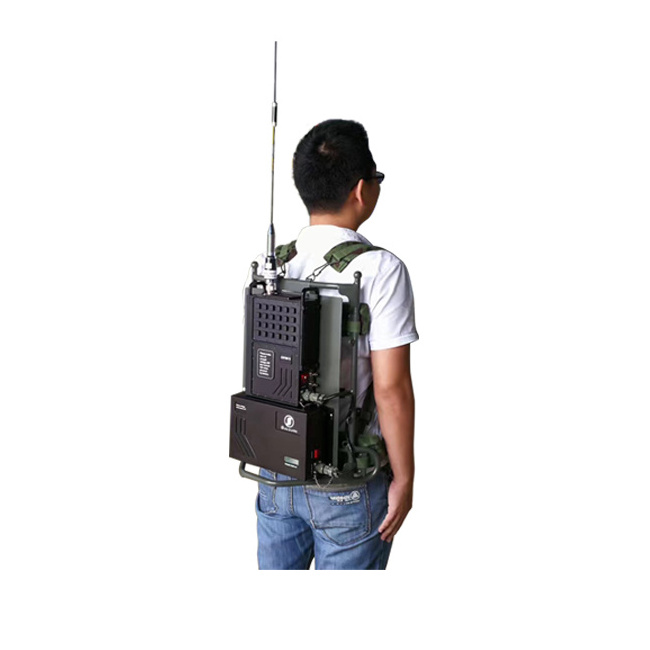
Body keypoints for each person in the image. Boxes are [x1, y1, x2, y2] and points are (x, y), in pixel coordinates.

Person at [255, 119, 418, 570]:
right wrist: (405, 478)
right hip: (348, 484)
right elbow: (391, 388)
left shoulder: (273, 265)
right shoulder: (382, 270)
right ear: (361, 190)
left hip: (273, 468)